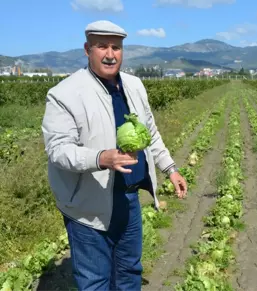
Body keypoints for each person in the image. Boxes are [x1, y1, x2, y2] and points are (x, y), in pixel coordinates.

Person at [41, 20, 187, 291]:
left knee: (129, 272)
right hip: (88, 206)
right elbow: (58, 150)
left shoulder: (134, 86)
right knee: (95, 280)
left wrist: (171, 168)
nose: (110, 54)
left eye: (116, 47)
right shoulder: (64, 94)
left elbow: (150, 133)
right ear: (87, 50)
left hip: (128, 198)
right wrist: (101, 158)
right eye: (102, 46)